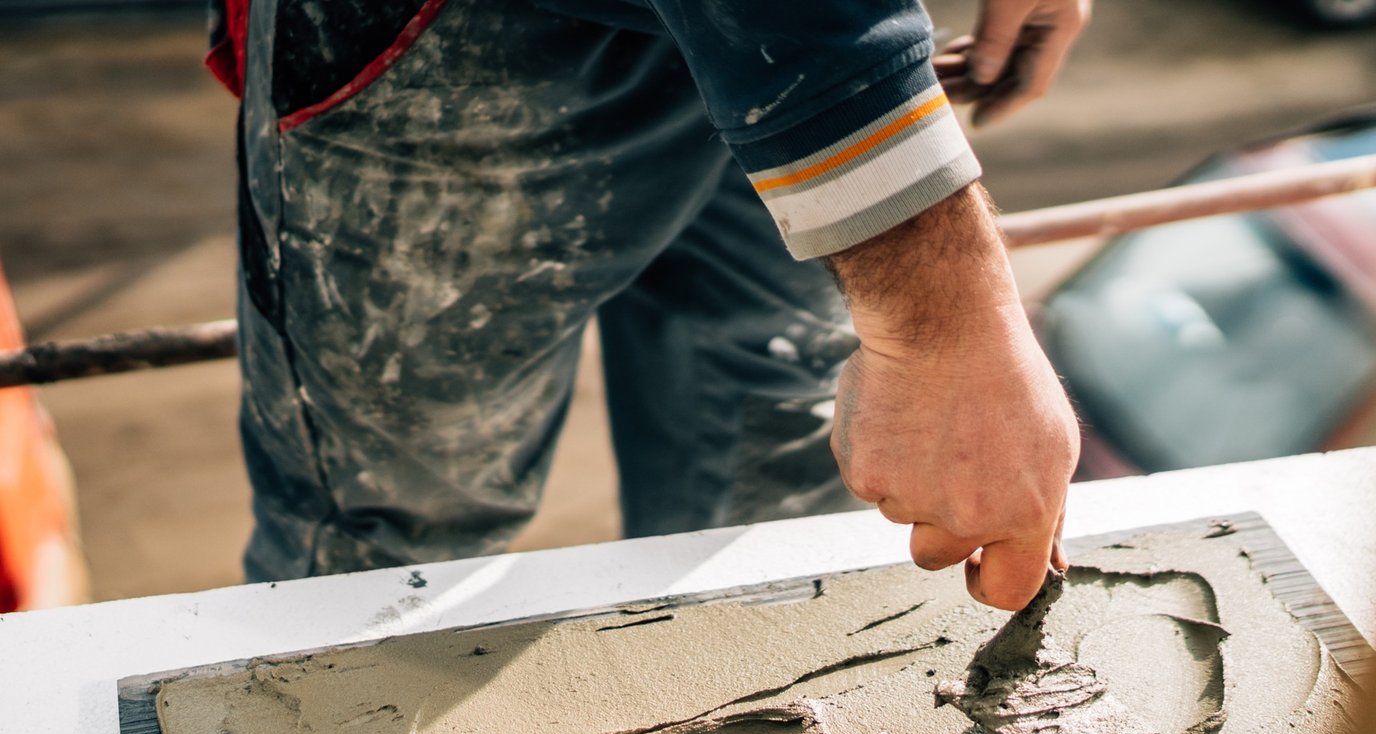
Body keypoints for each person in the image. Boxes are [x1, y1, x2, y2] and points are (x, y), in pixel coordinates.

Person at [204, 0, 1088, 610]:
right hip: (459, 39)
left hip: (794, 36)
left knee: (762, 504)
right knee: (387, 552)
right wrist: (946, 332)